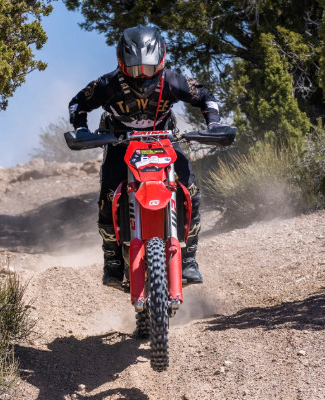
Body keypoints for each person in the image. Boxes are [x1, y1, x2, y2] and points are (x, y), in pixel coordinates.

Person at [67, 26, 223, 289]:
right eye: (135, 69)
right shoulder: (107, 84)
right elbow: (77, 103)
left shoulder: (173, 81)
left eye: (149, 69)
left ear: (161, 61)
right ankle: (113, 260)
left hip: (164, 141)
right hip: (119, 143)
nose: (142, 76)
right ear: (121, 63)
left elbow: (205, 96)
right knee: (107, 198)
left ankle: (188, 259)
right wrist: (81, 130)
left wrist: (215, 124)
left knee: (190, 193)